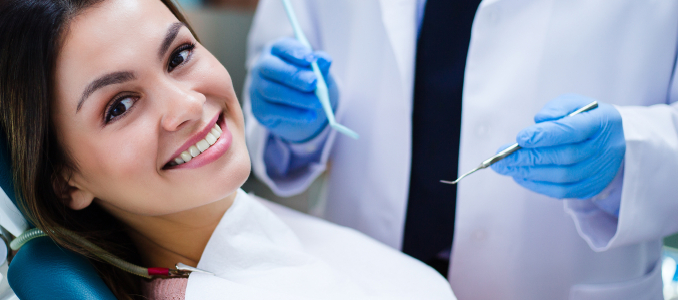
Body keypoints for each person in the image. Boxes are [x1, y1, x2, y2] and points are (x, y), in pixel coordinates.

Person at [0, 0, 456, 299]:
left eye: (180, 55)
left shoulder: (254, 234)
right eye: (120, 105)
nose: (187, 107)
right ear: (66, 179)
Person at [244, 0, 678, 299]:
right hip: (362, 262)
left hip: (559, 274)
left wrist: (633, 158)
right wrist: (291, 122)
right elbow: (283, 44)